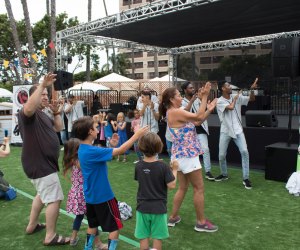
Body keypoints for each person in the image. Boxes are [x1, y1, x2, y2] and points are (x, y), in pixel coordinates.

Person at [72, 116, 148, 250]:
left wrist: (111, 144)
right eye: (96, 127)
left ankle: (88, 248)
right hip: (104, 196)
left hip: (90, 196)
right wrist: (136, 135)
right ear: (90, 132)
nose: (97, 129)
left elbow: (102, 155)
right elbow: (121, 151)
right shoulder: (92, 151)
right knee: (115, 226)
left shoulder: (82, 149)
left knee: (92, 225)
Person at [17, 72, 70, 246]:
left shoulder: (43, 113)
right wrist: (41, 86)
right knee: (54, 198)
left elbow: (58, 128)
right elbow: (29, 108)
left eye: (47, 95)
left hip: (43, 164)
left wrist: (55, 113)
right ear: (35, 96)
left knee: (41, 195)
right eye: (44, 95)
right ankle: (50, 236)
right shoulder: (27, 113)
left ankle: (32, 226)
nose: (46, 97)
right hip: (40, 164)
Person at [159, 83, 218, 233]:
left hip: (179, 156)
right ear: (172, 99)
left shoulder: (174, 112)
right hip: (187, 156)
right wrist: (204, 97)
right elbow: (198, 116)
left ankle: (173, 217)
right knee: (198, 188)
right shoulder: (175, 112)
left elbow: (198, 121)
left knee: (183, 187)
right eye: (178, 95)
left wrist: (209, 109)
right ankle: (201, 222)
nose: (180, 97)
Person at [134, 132, 178, 250]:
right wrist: (175, 170)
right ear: (159, 147)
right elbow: (172, 185)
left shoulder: (138, 166)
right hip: (158, 208)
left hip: (142, 207)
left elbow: (141, 179)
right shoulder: (163, 166)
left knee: (143, 237)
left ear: (141, 147)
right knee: (157, 237)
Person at [63, 138, 108, 249]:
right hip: (84, 194)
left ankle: (73, 238)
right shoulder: (79, 161)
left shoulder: (72, 160)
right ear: (77, 150)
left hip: (77, 193)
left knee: (79, 216)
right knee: (93, 220)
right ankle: (98, 244)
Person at [215, 78, 258, 189]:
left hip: (238, 130)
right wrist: (235, 99)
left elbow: (252, 99)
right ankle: (224, 174)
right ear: (222, 89)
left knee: (244, 151)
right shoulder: (219, 101)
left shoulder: (236, 96)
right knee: (221, 155)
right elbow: (230, 107)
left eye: (230, 85)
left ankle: (246, 178)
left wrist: (252, 90)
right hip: (226, 131)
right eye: (228, 86)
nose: (230, 87)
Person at [181, 82, 215, 180]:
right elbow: (185, 114)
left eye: (193, 88)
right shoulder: (182, 102)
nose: (192, 89)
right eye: (190, 88)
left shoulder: (197, 99)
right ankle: (189, 171)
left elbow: (202, 110)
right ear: (185, 90)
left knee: (205, 149)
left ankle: (208, 171)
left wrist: (204, 102)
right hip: (188, 130)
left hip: (200, 128)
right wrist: (192, 101)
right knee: (190, 152)